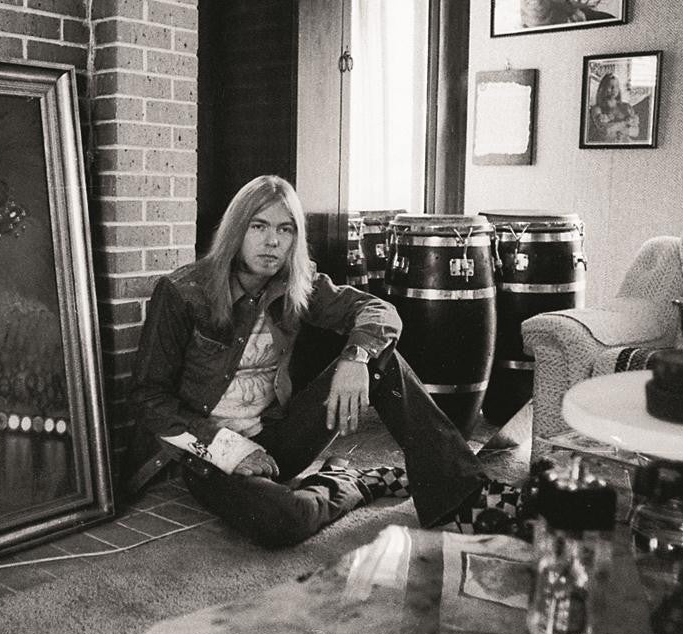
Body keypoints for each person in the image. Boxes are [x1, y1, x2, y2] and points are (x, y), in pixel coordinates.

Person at [128, 175, 520, 548]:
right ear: (236, 231)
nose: (272, 242)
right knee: (284, 520)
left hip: (277, 435)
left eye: (286, 230)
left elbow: (378, 311)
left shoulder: (296, 283)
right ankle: (349, 481)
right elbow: (149, 400)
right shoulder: (183, 293)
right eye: (259, 226)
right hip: (211, 454)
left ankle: (463, 496)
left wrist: (356, 358)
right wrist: (231, 449)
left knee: (382, 358)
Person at [586, 72, 640, 143]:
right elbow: (606, 131)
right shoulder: (597, 109)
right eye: (610, 86)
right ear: (603, 88)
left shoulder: (626, 106)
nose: (614, 89)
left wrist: (623, 131)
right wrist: (625, 123)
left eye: (616, 86)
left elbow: (636, 132)